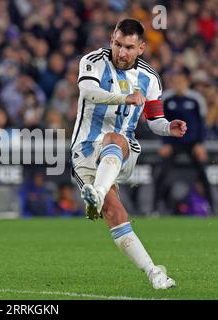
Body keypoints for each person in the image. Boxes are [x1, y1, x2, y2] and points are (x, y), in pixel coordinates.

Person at [71, 19, 187, 290]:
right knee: (114, 213)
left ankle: (96, 194)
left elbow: (155, 119)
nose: (121, 53)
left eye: (129, 47)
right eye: (118, 44)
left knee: (116, 138)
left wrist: (168, 127)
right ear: (112, 39)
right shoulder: (93, 61)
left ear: (142, 47)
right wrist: (124, 98)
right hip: (85, 151)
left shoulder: (150, 78)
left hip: (122, 151)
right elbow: (88, 92)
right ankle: (155, 273)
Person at [153, 70, 213, 214]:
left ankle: (213, 207)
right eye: (176, 81)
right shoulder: (167, 98)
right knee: (162, 173)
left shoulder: (196, 99)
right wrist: (164, 143)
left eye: (181, 81)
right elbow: (161, 122)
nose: (178, 84)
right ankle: (155, 208)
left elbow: (201, 124)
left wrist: (200, 144)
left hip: (192, 143)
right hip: (172, 142)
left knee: (203, 175)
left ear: (187, 82)